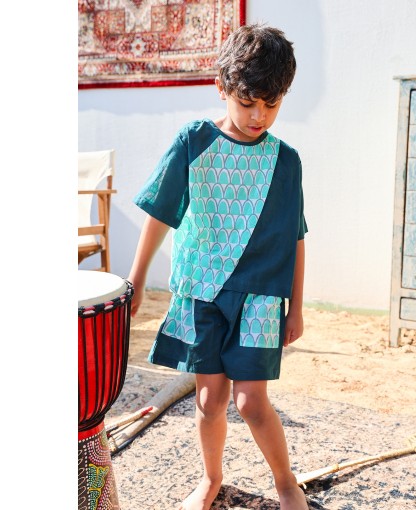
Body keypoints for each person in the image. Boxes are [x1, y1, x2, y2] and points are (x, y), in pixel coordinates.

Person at [128, 24, 309, 510]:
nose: (259, 115)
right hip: (201, 291)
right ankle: (211, 479)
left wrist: (296, 307)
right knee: (209, 401)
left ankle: (286, 482)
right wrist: (137, 279)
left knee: (250, 401)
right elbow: (159, 213)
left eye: (272, 104)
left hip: (260, 296)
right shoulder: (194, 141)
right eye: (248, 102)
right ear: (221, 87)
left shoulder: (286, 161)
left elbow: (295, 237)